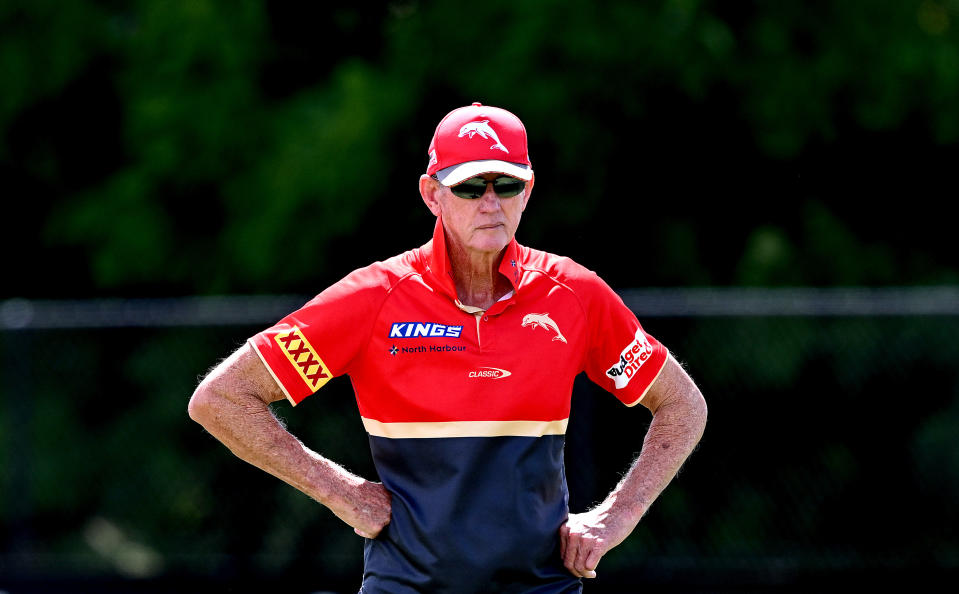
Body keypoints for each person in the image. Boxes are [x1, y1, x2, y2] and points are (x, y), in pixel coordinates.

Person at [188, 102, 707, 593]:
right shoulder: (373, 298)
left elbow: (683, 404)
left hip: (541, 585)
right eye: (468, 186)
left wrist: (616, 516)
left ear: (527, 192)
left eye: (506, 184)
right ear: (431, 194)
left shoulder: (575, 295)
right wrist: (342, 493)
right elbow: (222, 400)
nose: (490, 202)